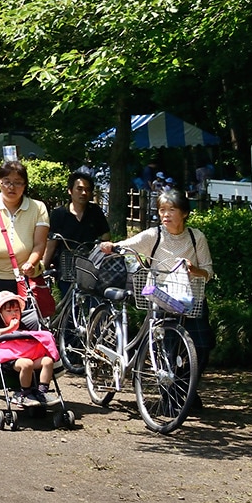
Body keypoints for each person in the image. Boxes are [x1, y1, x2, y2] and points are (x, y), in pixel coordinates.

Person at [99, 185, 214, 400]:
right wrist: (111, 246)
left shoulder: (196, 237)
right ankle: (171, 392)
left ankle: (185, 386)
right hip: (163, 300)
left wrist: (193, 269)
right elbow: (126, 245)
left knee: (202, 348)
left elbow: (208, 271)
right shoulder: (154, 235)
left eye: (171, 210)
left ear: (184, 213)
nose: (165, 215)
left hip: (193, 300)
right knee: (167, 349)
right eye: (162, 210)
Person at [0, 160, 52, 315]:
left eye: (18, 183)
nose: (11, 187)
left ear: (25, 185)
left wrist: (31, 263)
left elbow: (40, 244)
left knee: (22, 330)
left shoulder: (38, 208)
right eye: (7, 182)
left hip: (23, 281)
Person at [0, 289, 60, 406]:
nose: (13, 313)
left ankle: (41, 392)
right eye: (9, 311)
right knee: (27, 364)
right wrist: (9, 329)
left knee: (47, 361)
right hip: (11, 360)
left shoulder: (24, 325)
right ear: (0, 314)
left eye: (16, 310)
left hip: (30, 355)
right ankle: (25, 394)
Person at [46, 166, 110, 286]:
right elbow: (51, 242)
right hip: (66, 267)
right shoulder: (59, 213)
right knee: (68, 300)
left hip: (91, 267)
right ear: (70, 190)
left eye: (87, 190)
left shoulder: (95, 211)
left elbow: (106, 235)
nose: (84, 193)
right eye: (79, 189)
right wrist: (43, 267)